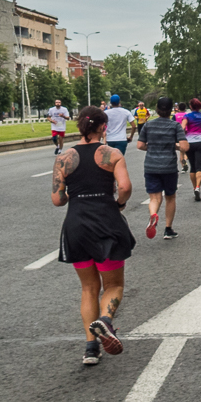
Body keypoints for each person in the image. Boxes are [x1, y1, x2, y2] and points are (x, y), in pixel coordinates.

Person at [52, 106, 134, 366]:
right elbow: (125, 187)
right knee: (113, 285)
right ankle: (106, 321)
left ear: (79, 127)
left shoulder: (64, 158)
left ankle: (90, 348)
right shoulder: (112, 154)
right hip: (106, 221)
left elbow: (57, 199)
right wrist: (119, 204)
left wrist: (71, 195)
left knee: (88, 288)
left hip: (76, 223)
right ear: (103, 127)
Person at [137, 96, 188, 240]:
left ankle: (153, 214)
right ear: (172, 109)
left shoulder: (148, 125)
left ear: (157, 109)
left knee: (154, 197)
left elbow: (140, 145)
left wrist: (152, 147)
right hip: (169, 167)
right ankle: (168, 229)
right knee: (170, 197)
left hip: (151, 165)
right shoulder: (175, 126)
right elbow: (184, 146)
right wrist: (175, 146)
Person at [181, 98, 201, 202]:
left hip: (190, 142)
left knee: (192, 167)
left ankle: (194, 188)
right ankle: (198, 187)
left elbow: (182, 128)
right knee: (199, 167)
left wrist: (186, 133)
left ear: (190, 106)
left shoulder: (187, 116)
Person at [174, 102, 189, 172]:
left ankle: (183, 166)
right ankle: (185, 159)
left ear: (178, 108)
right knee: (185, 150)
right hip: (186, 133)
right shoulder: (187, 115)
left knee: (180, 150)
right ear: (185, 108)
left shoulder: (175, 115)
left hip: (177, 134)